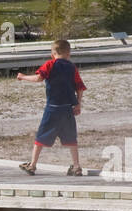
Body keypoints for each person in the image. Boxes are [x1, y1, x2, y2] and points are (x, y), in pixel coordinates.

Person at [15, 38, 86, 175]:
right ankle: (76, 166)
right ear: (68, 53)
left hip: (52, 108)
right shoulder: (72, 67)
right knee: (71, 138)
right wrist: (78, 103)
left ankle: (33, 165)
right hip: (67, 108)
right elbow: (80, 88)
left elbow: (38, 78)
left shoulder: (50, 64)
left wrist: (23, 77)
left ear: (52, 54)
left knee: (41, 137)